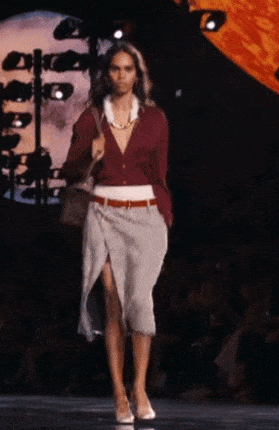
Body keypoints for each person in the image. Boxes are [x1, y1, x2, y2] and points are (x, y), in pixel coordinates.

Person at [62, 41, 172, 423]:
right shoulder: (91, 118)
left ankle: (139, 387)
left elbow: (160, 174)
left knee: (140, 302)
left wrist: (164, 216)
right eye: (115, 68)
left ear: (137, 75)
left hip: (146, 217)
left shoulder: (155, 119)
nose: (121, 76)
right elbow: (69, 172)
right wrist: (87, 157)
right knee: (114, 302)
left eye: (128, 69)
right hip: (104, 215)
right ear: (106, 74)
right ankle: (119, 393)